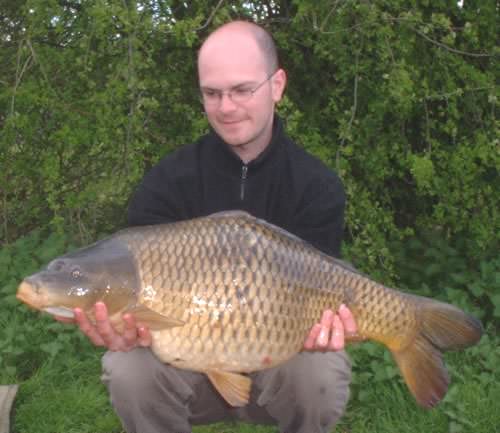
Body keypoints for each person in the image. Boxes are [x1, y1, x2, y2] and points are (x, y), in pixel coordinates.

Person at [59, 20, 358, 433]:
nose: (226, 108)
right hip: (185, 364)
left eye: (241, 90)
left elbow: (325, 297)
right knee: (128, 369)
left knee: (318, 376)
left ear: (277, 85)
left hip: (278, 357)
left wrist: (329, 327)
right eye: (212, 93)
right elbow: (132, 298)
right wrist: (124, 328)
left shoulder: (316, 185)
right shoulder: (166, 182)